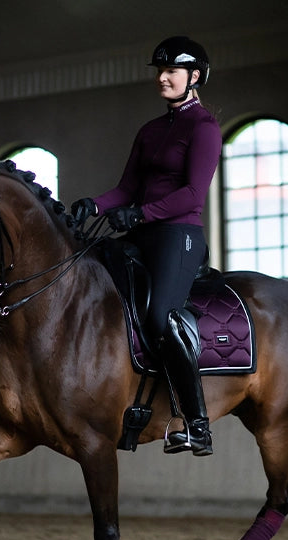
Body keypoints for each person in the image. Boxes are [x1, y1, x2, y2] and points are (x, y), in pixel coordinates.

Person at [71, 36, 221, 457]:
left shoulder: (204, 127)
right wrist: (93, 204)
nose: (163, 78)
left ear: (194, 77)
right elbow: (127, 188)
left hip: (179, 236)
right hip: (143, 231)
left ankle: (196, 423)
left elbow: (193, 195)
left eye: (172, 71)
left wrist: (139, 214)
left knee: (160, 316)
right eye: (160, 71)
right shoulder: (150, 130)